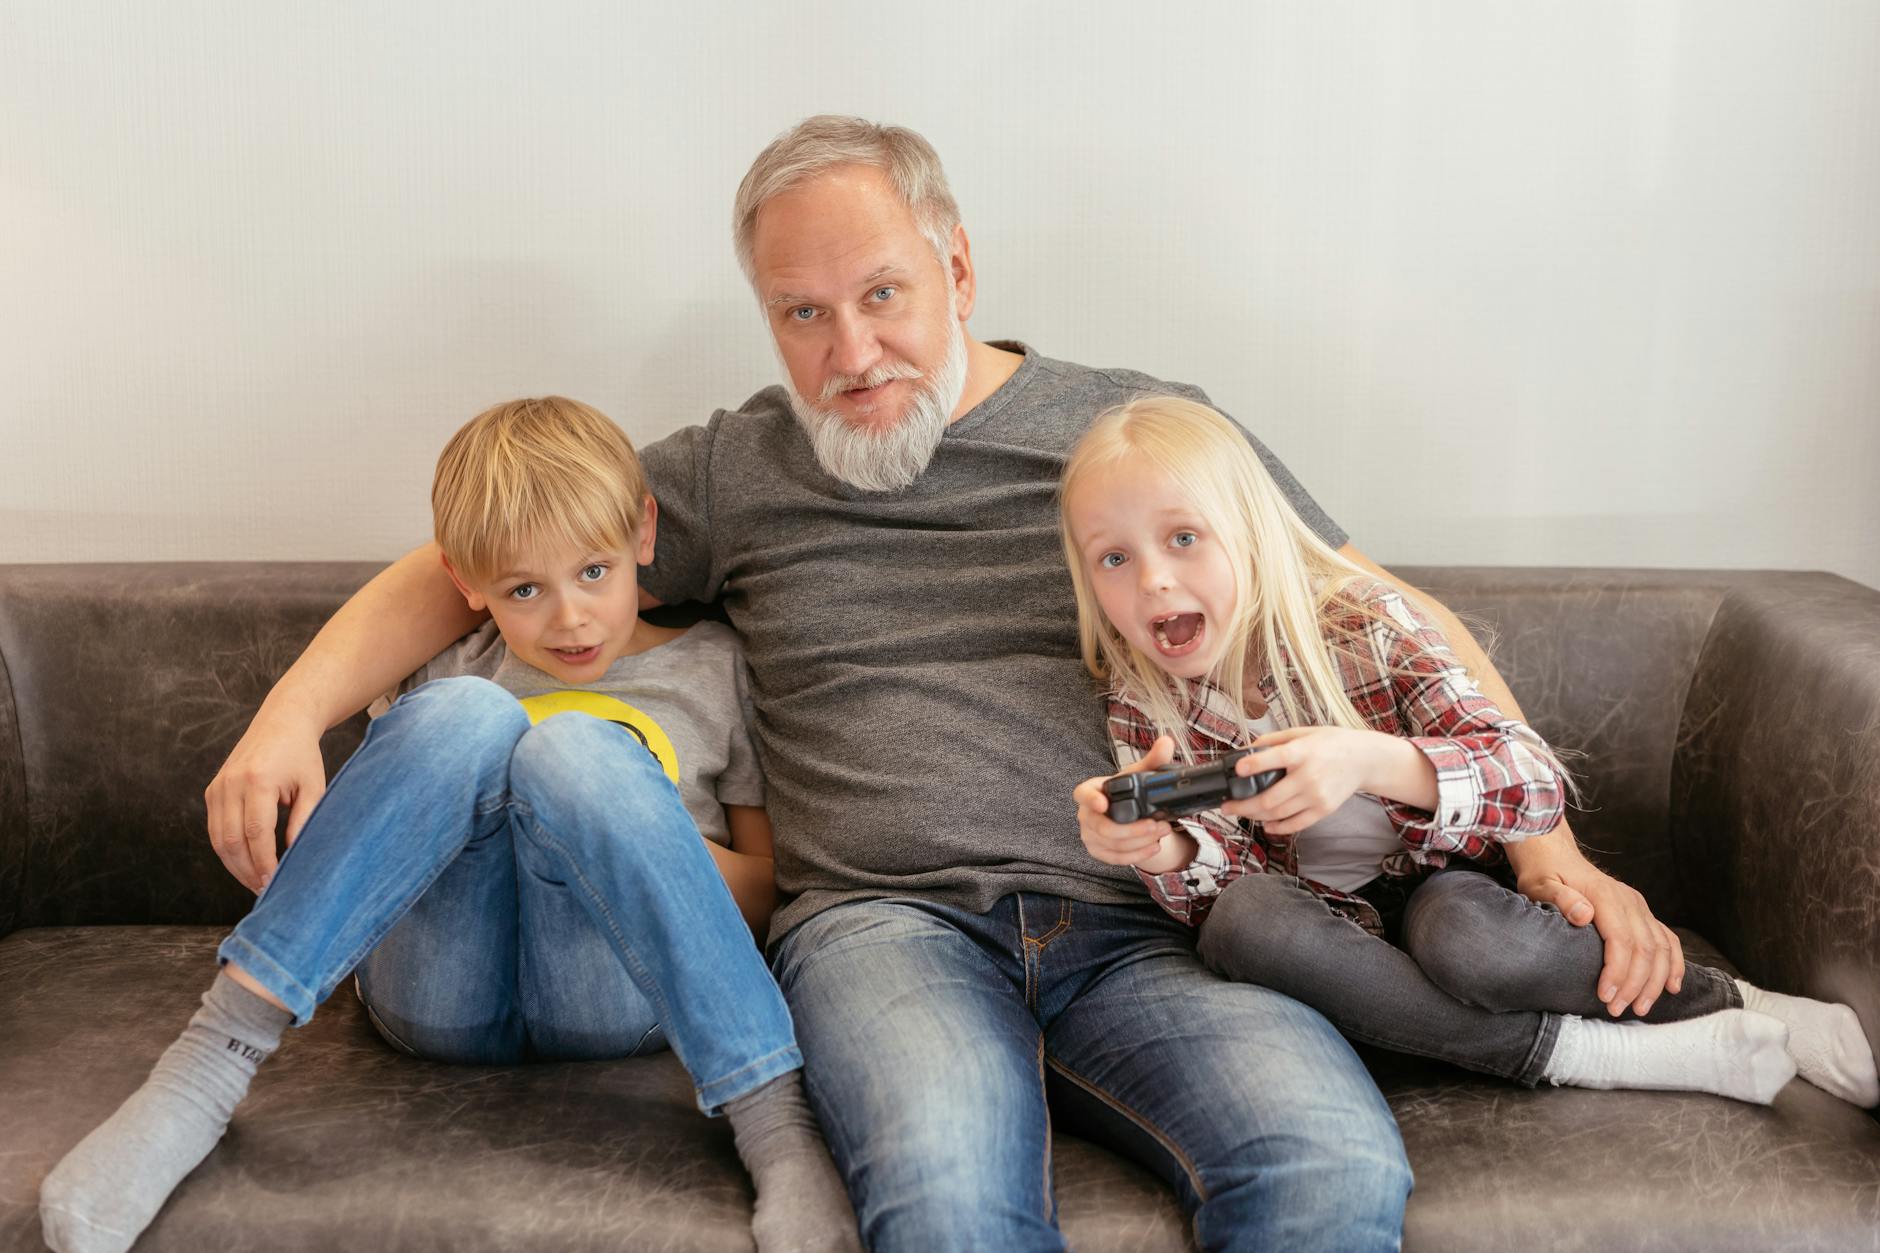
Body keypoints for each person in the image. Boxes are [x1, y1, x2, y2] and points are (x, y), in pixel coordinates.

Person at [201, 116, 1695, 1249]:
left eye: (884, 293)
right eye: (802, 314)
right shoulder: (734, 466)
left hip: (1152, 919)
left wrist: (1547, 846)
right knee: (942, 1197)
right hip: (880, 927)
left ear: (961, 268)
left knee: (1331, 1164)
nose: (851, 352)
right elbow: (470, 556)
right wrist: (290, 716)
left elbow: (1383, 608)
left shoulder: (1130, 435)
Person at [40, 398, 858, 1253]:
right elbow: (389, 830)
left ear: (643, 534)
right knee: (465, 714)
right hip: (437, 995)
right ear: (467, 582)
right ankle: (206, 1068)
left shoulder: (715, 668)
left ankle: (772, 1120)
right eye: (524, 589)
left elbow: (769, 894)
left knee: (575, 751)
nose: (570, 618)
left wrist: (630, 832)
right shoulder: (447, 661)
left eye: (592, 572)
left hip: (615, 990)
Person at [1062, 394, 1880, 1110]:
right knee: (1244, 922)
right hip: (1330, 943)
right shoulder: (1140, 694)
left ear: (1254, 535)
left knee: (1469, 939)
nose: (1155, 582)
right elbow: (1221, 885)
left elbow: (1533, 785)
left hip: (1447, 896)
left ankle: (1736, 1000)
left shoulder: (1368, 626)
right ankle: (1593, 1057)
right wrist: (1163, 843)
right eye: (1115, 558)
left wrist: (1373, 761)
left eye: (1183, 538)